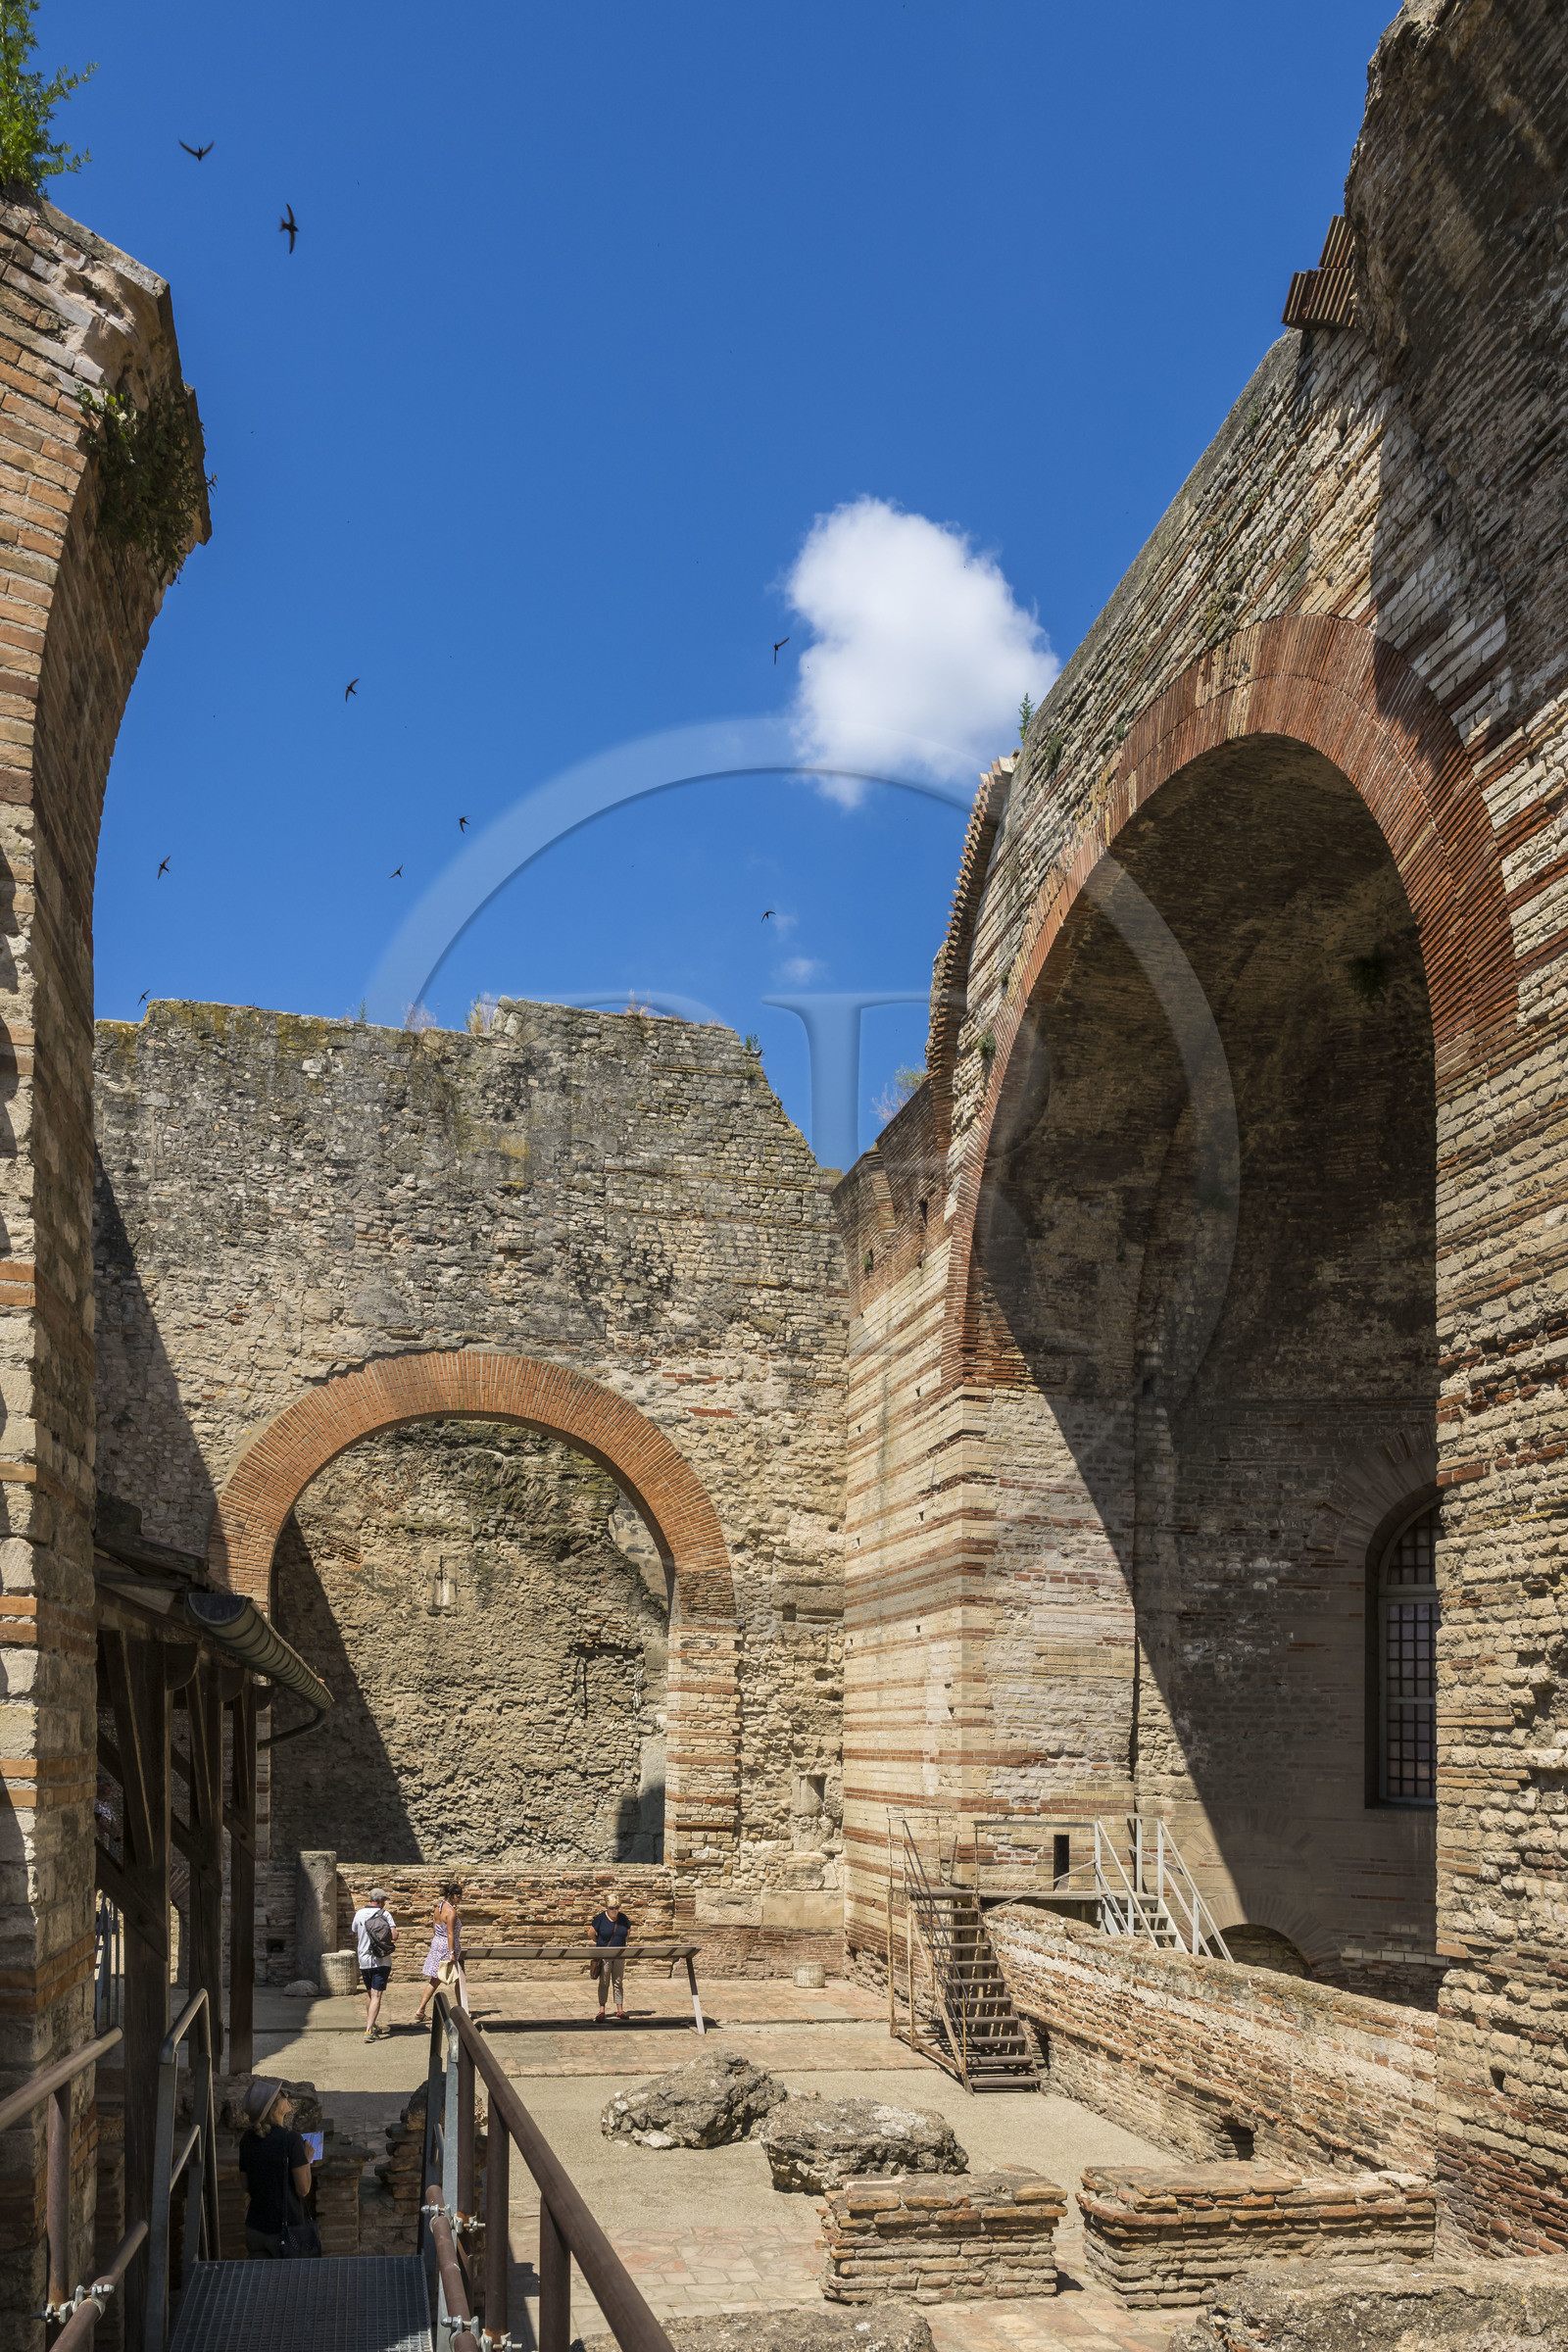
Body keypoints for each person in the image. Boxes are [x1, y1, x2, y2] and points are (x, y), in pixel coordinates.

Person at [237, 2078, 319, 2259]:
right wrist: (306, 2160)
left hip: (255, 2229)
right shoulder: (291, 2140)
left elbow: (245, 2185)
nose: (287, 2095)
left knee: (262, 2285)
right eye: (282, 2094)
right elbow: (304, 2189)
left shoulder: (247, 2140)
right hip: (285, 2232)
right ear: (273, 2107)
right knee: (290, 2285)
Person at [414, 1880, 466, 2024]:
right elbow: (450, 1933)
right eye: (459, 1896)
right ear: (452, 1896)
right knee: (459, 1979)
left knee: (435, 1980)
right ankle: (463, 2010)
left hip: (437, 1942)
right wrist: (451, 1952)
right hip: (447, 1947)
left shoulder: (439, 1907)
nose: (461, 1898)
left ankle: (421, 2010)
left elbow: (434, 1927)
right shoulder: (451, 1911)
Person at [351, 1884, 397, 2041]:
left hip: (363, 1959)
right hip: (381, 1959)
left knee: (369, 1992)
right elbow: (394, 1936)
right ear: (380, 1900)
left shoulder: (359, 1914)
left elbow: (355, 1933)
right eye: (384, 1900)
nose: (385, 1903)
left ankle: (373, 2024)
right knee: (377, 1995)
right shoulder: (385, 1915)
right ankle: (369, 2030)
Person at [588, 1890, 630, 2022]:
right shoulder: (600, 1918)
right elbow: (591, 1933)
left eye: (616, 1908)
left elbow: (627, 1932)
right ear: (607, 1907)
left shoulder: (623, 1918)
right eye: (611, 1908)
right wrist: (600, 1944)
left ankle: (619, 2009)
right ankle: (602, 2010)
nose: (614, 1911)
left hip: (619, 1954)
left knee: (618, 1982)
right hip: (605, 1955)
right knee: (604, 1982)